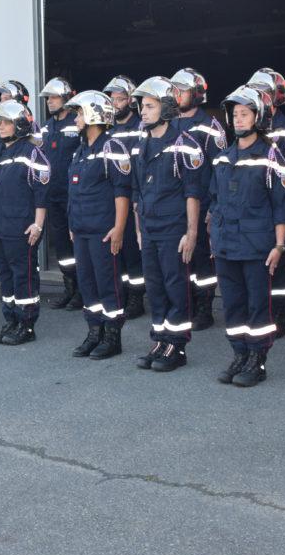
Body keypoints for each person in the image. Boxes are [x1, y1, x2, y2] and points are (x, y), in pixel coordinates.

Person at [208, 86, 285, 387]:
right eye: (235, 115)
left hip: (257, 247)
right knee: (232, 305)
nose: (238, 119)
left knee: (258, 305)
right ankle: (239, 355)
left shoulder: (271, 158)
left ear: (257, 116)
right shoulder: (222, 158)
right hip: (226, 245)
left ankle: (257, 360)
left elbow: (281, 207)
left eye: (244, 114)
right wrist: (213, 239)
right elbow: (214, 203)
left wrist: (279, 245)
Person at [131, 76, 207, 372]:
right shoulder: (142, 143)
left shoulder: (185, 145)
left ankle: (177, 344)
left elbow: (193, 192)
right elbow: (137, 191)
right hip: (149, 228)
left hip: (174, 228)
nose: (143, 112)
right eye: (142, 106)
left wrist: (191, 233)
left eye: (149, 106)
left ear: (165, 107)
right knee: (155, 286)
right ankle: (160, 340)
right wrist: (138, 229)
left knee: (176, 285)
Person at [64, 91, 132, 359]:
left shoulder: (112, 148)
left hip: (104, 232)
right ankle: (95, 332)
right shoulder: (79, 152)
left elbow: (122, 192)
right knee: (87, 284)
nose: (76, 118)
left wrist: (119, 228)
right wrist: (72, 223)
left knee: (108, 284)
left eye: (79, 113)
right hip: (81, 230)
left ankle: (112, 336)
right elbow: (73, 191)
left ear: (94, 115)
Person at [0, 100, 51, 345]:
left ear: (19, 124)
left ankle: (26, 324)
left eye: (7, 122)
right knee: (5, 276)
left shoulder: (32, 154)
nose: (1, 126)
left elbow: (41, 193)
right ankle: (11, 320)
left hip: (20, 227)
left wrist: (38, 224)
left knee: (23, 276)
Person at [246, 68, 285, 337]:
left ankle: (280, 313)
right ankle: (260, 312)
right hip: (253, 211)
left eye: (264, 93)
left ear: (276, 97)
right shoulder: (249, 126)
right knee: (253, 261)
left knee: (281, 263)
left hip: (280, 210)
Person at [171, 67, 227, 331]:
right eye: (174, 90)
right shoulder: (168, 123)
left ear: (195, 94)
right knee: (179, 259)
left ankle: (204, 308)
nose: (176, 94)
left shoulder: (211, 127)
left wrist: (214, 207)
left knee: (202, 259)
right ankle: (186, 305)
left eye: (181, 90)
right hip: (174, 204)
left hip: (202, 203)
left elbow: (220, 170)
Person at [103, 74, 147, 320]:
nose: (115, 104)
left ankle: (136, 298)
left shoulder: (140, 127)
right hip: (110, 199)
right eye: (112, 100)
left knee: (132, 251)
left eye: (120, 99)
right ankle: (118, 294)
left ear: (130, 101)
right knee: (114, 252)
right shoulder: (107, 129)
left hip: (132, 198)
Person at [36, 77, 82, 310]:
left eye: (54, 98)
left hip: (74, 197)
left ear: (66, 98)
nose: (50, 102)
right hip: (52, 197)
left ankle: (84, 291)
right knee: (63, 248)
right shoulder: (45, 127)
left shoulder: (79, 122)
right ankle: (70, 288)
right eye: (48, 99)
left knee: (78, 246)